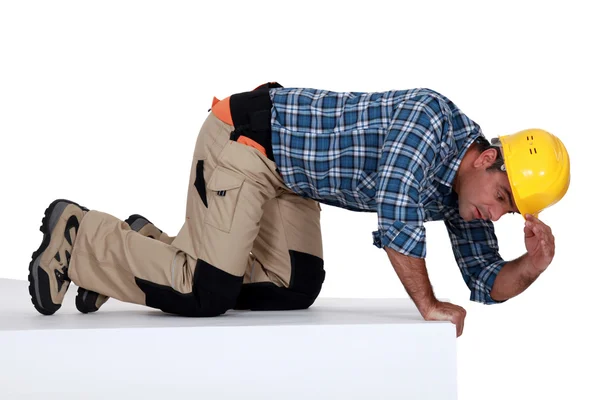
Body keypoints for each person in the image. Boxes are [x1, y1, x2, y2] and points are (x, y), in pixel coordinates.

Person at [27, 82, 570, 336]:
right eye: (502, 199)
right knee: (208, 290)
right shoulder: (430, 120)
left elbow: (483, 278)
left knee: (295, 288)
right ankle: (81, 238)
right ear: (489, 159)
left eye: (510, 211)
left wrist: (531, 267)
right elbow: (397, 212)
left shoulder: (465, 193)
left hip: (289, 180)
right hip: (247, 142)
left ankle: (138, 250)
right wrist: (427, 305)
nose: (497, 215)